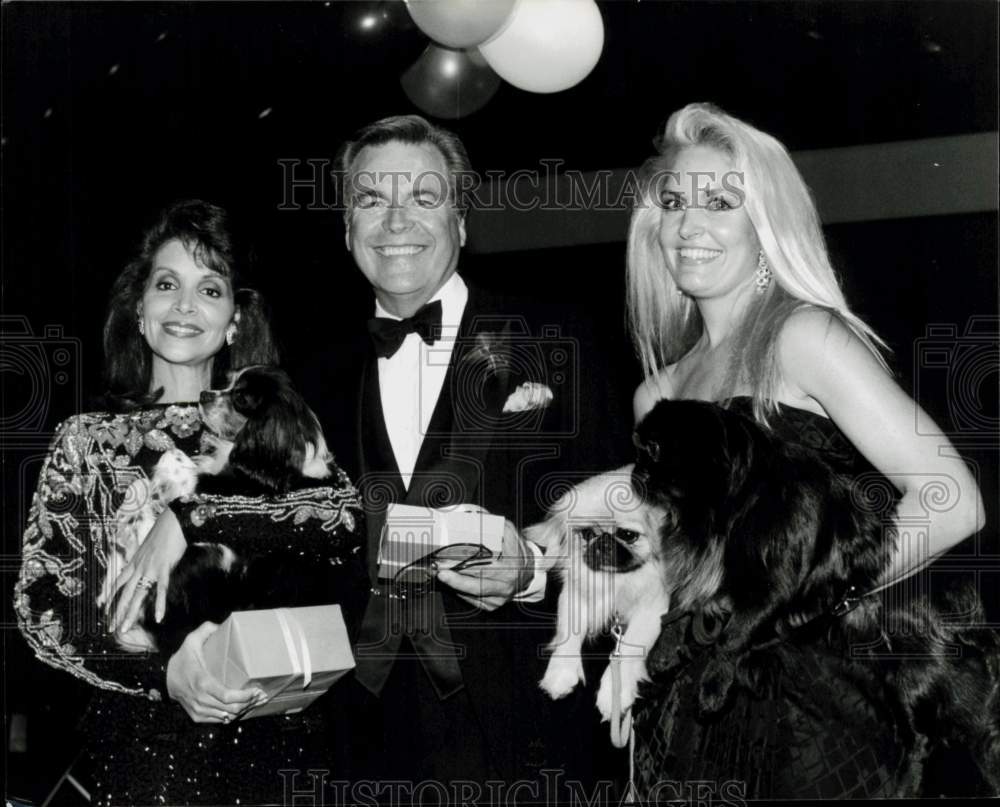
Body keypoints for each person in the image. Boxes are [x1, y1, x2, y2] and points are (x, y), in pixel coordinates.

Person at [626, 103, 986, 797]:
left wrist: (795, 598)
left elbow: (953, 499)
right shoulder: (657, 396)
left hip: (813, 719)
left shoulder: (804, 337)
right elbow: (676, 575)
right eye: (673, 203)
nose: (688, 225)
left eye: (721, 202)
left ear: (766, 227)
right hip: (696, 712)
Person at [296, 115, 630, 797]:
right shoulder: (313, 378)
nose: (395, 221)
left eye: (422, 197)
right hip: (361, 740)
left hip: (526, 733)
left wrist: (535, 571)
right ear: (345, 227)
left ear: (462, 220)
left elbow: (631, 534)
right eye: (370, 200)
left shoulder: (555, 340)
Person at [15, 199, 366, 805]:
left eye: (209, 289)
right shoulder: (84, 442)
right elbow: (41, 614)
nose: (184, 305)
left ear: (234, 320)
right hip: (142, 751)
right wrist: (164, 675)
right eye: (166, 284)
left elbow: (344, 521)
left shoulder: (277, 425)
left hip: (278, 738)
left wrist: (194, 516)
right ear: (138, 308)